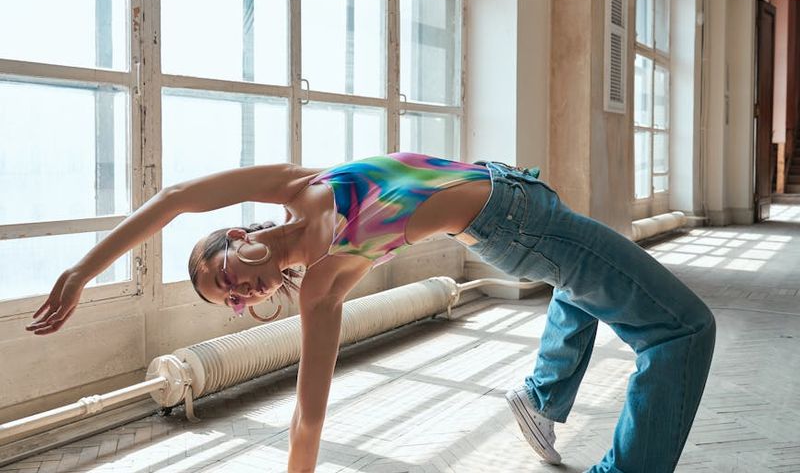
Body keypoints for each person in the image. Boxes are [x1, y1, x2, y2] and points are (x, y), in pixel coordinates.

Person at [26, 152, 715, 473]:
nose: (239, 298)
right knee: (682, 330)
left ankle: (541, 397)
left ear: (239, 238)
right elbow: (309, 417)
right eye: (230, 303)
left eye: (225, 279)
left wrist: (84, 271)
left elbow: (177, 196)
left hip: (516, 199)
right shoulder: (323, 287)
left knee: (583, 287)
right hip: (521, 229)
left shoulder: (301, 186)